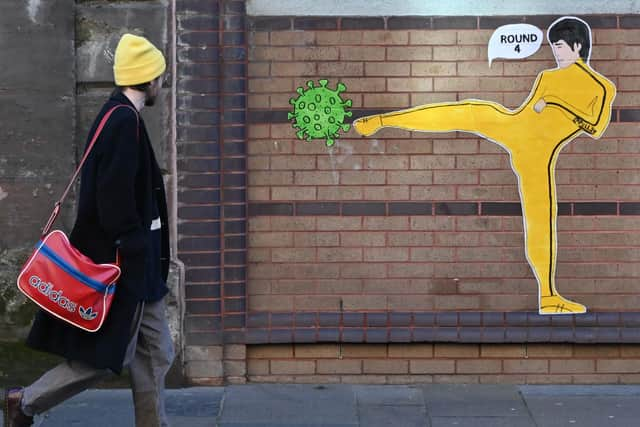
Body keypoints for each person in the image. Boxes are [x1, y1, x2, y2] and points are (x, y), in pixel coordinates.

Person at [353, 17, 616, 315]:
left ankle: (548, 296)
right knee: (470, 111)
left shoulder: (601, 86)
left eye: (559, 47)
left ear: (578, 45)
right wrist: (541, 106)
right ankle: (383, 121)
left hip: (538, 152)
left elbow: (595, 127)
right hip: (517, 127)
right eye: (554, 47)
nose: (555, 54)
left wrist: (557, 105)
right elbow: (529, 111)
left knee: (540, 218)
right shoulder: (547, 76)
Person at [4, 34, 174, 426]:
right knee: (102, 359)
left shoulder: (120, 115)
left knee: (157, 351)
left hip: (139, 266)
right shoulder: (121, 122)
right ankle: (25, 401)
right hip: (124, 266)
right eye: (160, 78)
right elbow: (112, 198)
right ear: (149, 80)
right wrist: (133, 248)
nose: (161, 86)